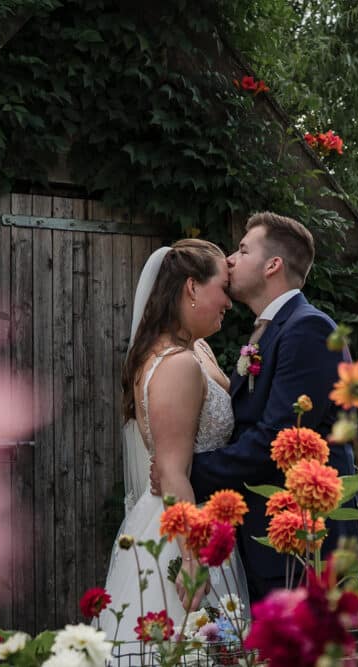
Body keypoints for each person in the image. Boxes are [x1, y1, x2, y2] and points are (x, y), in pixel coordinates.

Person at [186, 212, 358, 602]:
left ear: (273, 265)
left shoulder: (308, 329)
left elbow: (277, 440)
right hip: (271, 543)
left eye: (243, 250)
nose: (230, 259)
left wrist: (191, 471)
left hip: (305, 546)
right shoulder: (271, 330)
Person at [100, 239, 246, 645]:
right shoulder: (178, 364)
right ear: (191, 287)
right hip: (183, 529)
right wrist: (191, 558)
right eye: (222, 288)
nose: (229, 303)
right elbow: (170, 470)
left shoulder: (197, 350)